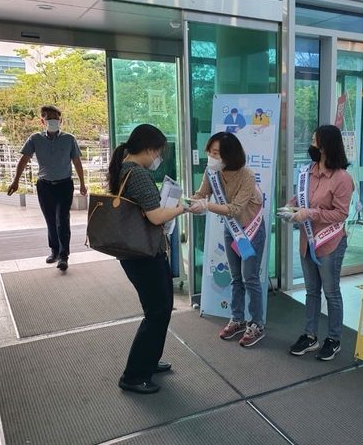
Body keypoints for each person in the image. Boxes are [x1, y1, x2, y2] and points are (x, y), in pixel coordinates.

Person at [107, 124, 189, 394]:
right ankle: (134, 375)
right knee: (157, 311)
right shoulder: (138, 174)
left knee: (160, 308)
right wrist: (181, 208)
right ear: (150, 149)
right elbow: (155, 216)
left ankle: (149, 361)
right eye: (159, 152)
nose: (159, 157)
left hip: (138, 253)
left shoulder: (123, 169)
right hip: (144, 254)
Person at [189, 132, 266, 347]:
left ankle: (257, 324)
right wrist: (189, 202)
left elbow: (235, 209)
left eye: (216, 153)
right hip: (231, 230)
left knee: (250, 278)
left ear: (229, 155)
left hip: (250, 231)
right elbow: (201, 194)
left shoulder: (246, 175)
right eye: (210, 152)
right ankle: (237, 318)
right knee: (236, 278)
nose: (211, 157)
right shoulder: (211, 172)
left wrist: (206, 205)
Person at [286, 125, 354, 361]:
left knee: (331, 292)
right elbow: (300, 198)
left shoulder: (342, 178)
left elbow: (341, 214)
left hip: (330, 243)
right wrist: (290, 208)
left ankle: (334, 339)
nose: (311, 145)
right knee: (311, 291)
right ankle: (310, 335)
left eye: (315, 141)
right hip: (307, 241)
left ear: (325, 147)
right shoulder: (308, 171)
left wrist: (310, 213)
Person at [8, 105, 86, 271]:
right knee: (50, 220)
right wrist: (15, 181)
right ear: (42, 121)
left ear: (60, 120)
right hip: (44, 186)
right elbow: (24, 159)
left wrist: (82, 183)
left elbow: (77, 161)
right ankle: (54, 251)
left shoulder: (69, 139)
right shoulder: (35, 139)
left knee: (62, 220)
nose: (53, 121)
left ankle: (64, 256)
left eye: (55, 118)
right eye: (48, 118)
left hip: (64, 185)